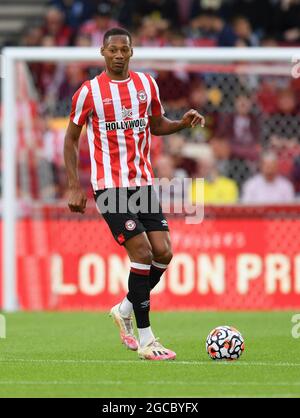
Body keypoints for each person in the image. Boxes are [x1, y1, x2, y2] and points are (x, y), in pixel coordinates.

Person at [64, 28, 205, 361]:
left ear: (131, 52)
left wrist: (182, 123)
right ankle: (146, 339)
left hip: (142, 182)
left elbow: (156, 125)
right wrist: (73, 184)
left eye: (123, 50)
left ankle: (124, 307)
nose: (117, 55)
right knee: (141, 252)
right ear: (102, 52)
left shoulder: (147, 85)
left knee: (164, 252)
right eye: (111, 49)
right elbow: (70, 139)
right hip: (109, 186)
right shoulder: (88, 93)